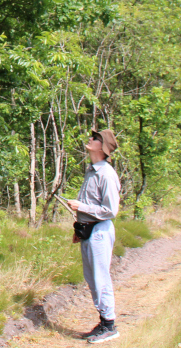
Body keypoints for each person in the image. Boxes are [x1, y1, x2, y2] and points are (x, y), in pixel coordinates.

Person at [68, 128, 121, 344]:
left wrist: (82, 206)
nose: (90, 140)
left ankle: (109, 326)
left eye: (96, 139)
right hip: (89, 231)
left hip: (100, 231)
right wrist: (78, 229)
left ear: (103, 148)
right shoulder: (91, 171)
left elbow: (110, 210)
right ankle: (104, 321)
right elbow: (92, 206)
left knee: (101, 279)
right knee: (92, 279)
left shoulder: (106, 174)